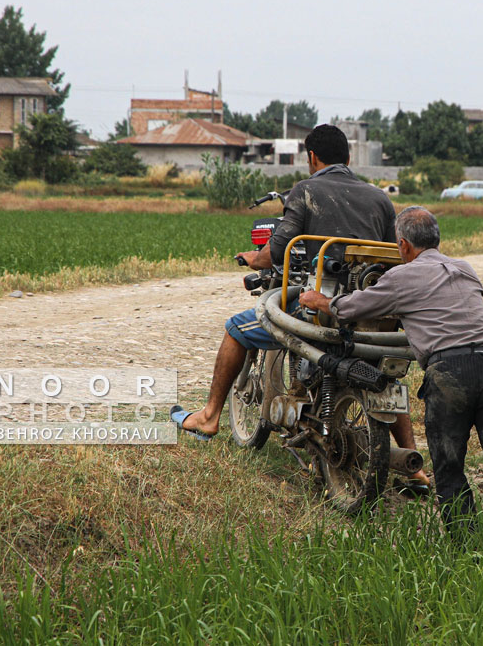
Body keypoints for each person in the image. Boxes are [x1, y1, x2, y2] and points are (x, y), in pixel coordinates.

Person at [171, 125, 431, 489]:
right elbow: (393, 257)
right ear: (349, 158)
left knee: (235, 328)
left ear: (312, 157)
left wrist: (254, 258)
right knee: (381, 378)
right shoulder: (379, 199)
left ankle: (209, 416)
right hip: (373, 314)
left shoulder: (305, 191)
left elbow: (277, 250)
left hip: (321, 309)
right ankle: (416, 469)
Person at [300, 206, 483, 535]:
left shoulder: (402, 276)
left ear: (404, 245)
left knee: (449, 464)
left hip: (450, 371)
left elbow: (352, 307)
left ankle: (465, 544)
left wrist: (319, 301)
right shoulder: (465, 269)